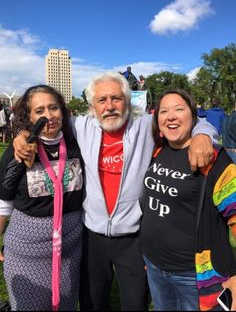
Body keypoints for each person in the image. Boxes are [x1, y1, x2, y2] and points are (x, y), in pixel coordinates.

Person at [13, 72, 218, 311]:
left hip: (132, 236)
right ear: (92, 106)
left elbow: (188, 120)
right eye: (102, 100)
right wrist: (23, 135)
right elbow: (46, 123)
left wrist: (203, 135)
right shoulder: (80, 126)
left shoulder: (144, 127)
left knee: (134, 302)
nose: (109, 106)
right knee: (93, 301)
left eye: (116, 99)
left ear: (128, 102)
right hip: (92, 234)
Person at [140, 88, 236, 311]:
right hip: (154, 266)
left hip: (193, 276)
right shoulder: (156, 151)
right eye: (164, 111)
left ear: (193, 116)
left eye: (179, 109)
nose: (171, 116)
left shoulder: (213, 159)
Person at [0, 85, 84, 311]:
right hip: (28, 250)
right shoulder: (21, 149)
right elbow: (4, 200)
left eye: (53, 107)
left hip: (69, 247)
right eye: (39, 111)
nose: (48, 116)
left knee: (66, 303)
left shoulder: (76, 140)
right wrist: (22, 135)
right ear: (29, 116)